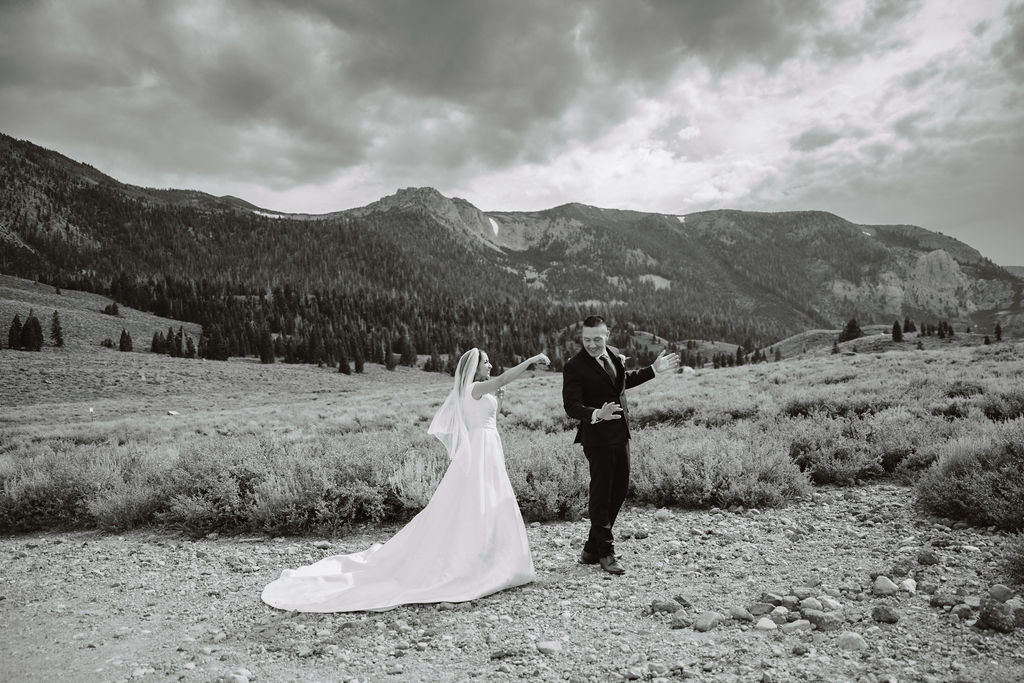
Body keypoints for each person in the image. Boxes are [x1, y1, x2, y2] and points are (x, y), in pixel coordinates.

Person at [261, 348, 550, 612]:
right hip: (482, 450)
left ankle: (490, 556)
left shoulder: (472, 391)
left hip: (485, 447)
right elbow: (504, 380)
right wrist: (531, 360)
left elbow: (491, 402)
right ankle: (482, 561)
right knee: (479, 500)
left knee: (481, 501)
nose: (491, 365)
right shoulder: (475, 388)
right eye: (486, 362)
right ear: (475, 368)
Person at [562, 316, 681, 575]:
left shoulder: (614, 354)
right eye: (586, 340)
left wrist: (653, 369)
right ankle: (605, 553)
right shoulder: (574, 366)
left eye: (597, 339)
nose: (591, 345)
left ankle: (591, 549)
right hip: (597, 439)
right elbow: (571, 406)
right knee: (601, 495)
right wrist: (595, 414)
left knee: (619, 490)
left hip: (621, 434)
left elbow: (622, 382)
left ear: (607, 336)